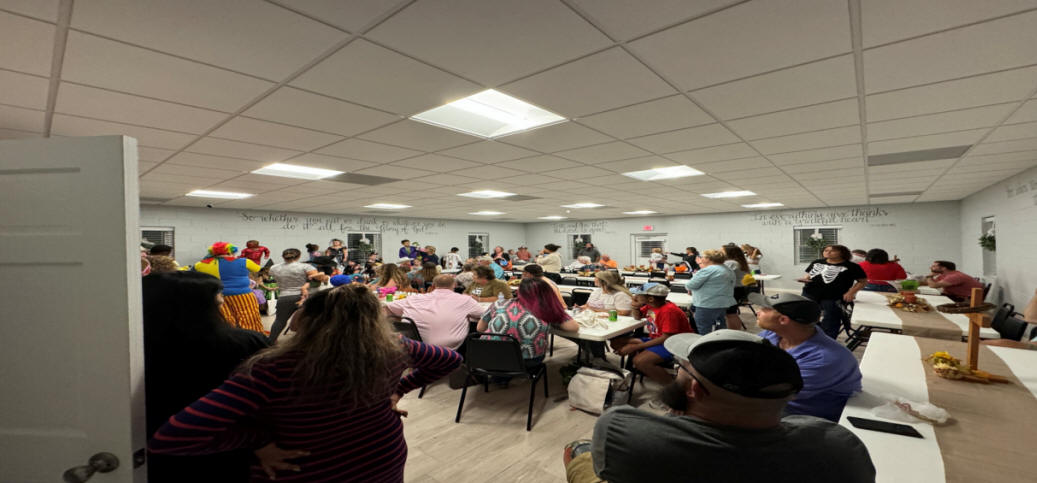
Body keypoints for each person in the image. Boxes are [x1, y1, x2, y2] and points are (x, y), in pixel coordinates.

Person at [150, 284, 463, 482]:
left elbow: (171, 437)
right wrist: (398, 391)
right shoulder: (394, 348)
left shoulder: (275, 369)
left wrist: (257, 440)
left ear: (309, 320)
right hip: (382, 454)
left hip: (309, 466)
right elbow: (450, 360)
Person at [562, 330, 875, 482]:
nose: (677, 370)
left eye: (682, 368)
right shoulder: (838, 446)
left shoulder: (623, 429)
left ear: (695, 389)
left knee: (579, 451)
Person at [142, 271, 269, 483]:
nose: (223, 300)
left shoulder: (134, 349)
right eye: (218, 296)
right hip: (232, 444)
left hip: (156, 449)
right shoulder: (246, 343)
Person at [750, 293, 862, 422]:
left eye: (764, 309)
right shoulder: (772, 334)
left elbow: (770, 393)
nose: (758, 312)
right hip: (779, 403)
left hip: (806, 417)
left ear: (783, 320)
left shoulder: (825, 359)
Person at [478, 278, 579, 368]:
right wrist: (552, 323)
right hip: (527, 360)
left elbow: (480, 328)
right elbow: (573, 327)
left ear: (519, 291)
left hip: (486, 355)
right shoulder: (546, 309)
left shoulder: (499, 304)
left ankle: (498, 376)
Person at [611, 283, 693, 388]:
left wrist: (636, 347)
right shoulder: (651, 306)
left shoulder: (669, 311)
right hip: (658, 339)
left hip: (675, 343)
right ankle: (644, 363)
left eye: (639, 295)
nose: (635, 296)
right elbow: (638, 317)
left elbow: (666, 337)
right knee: (617, 342)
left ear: (650, 299)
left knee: (640, 361)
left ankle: (675, 389)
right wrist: (635, 306)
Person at [386, 275, 486, 350]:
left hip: (415, 347)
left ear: (433, 285)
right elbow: (485, 315)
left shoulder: (414, 299)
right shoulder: (465, 300)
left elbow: (386, 309)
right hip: (450, 348)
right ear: (454, 285)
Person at [193, 242, 264, 333]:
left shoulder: (200, 264)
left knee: (226, 320)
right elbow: (258, 269)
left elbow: (191, 274)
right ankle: (253, 338)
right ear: (230, 251)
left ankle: (229, 339)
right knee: (249, 318)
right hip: (242, 295)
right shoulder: (243, 261)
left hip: (217, 296)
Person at [799, 245, 867, 339]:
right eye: (826, 250)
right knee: (807, 316)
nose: (828, 252)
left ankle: (828, 340)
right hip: (810, 293)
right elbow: (809, 274)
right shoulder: (817, 262)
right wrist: (805, 279)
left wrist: (851, 292)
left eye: (832, 251)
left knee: (831, 319)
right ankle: (811, 336)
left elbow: (862, 281)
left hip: (833, 296)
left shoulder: (852, 266)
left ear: (842, 253)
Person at [268, 248, 321, 343]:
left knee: (279, 321)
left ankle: (270, 342)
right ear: (299, 256)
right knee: (310, 320)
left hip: (284, 296)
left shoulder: (274, 268)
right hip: (304, 296)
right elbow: (317, 280)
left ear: (283, 256)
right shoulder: (306, 267)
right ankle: (309, 342)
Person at [685, 249, 736, 335]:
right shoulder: (728, 270)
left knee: (703, 329)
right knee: (720, 327)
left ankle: (704, 343)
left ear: (708, 259)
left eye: (703, 257)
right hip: (723, 303)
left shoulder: (708, 270)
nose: (701, 259)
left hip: (707, 303)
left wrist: (690, 289)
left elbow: (690, 285)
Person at [723, 245, 752, 330]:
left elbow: (721, 274)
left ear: (728, 253)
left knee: (730, 314)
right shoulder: (739, 262)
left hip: (733, 291)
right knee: (732, 313)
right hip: (739, 290)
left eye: (722, 251)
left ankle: (732, 332)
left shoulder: (731, 263)